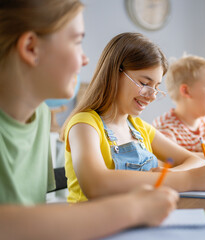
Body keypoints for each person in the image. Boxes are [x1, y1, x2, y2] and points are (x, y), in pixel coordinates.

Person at [0, 1, 179, 239]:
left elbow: (33, 211)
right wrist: (133, 208)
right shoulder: (83, 122)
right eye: (76, 42)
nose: (85, 59)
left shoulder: (40, 114)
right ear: (31, 48)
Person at [62, 33, 205, 203]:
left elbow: (194, 160)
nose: (152, 96)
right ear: (114, 73)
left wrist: (169, 175)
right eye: (144, 83)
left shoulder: (140, 128)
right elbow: (96, 185)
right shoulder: (84, 124)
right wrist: (186, 179)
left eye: (156, 87)